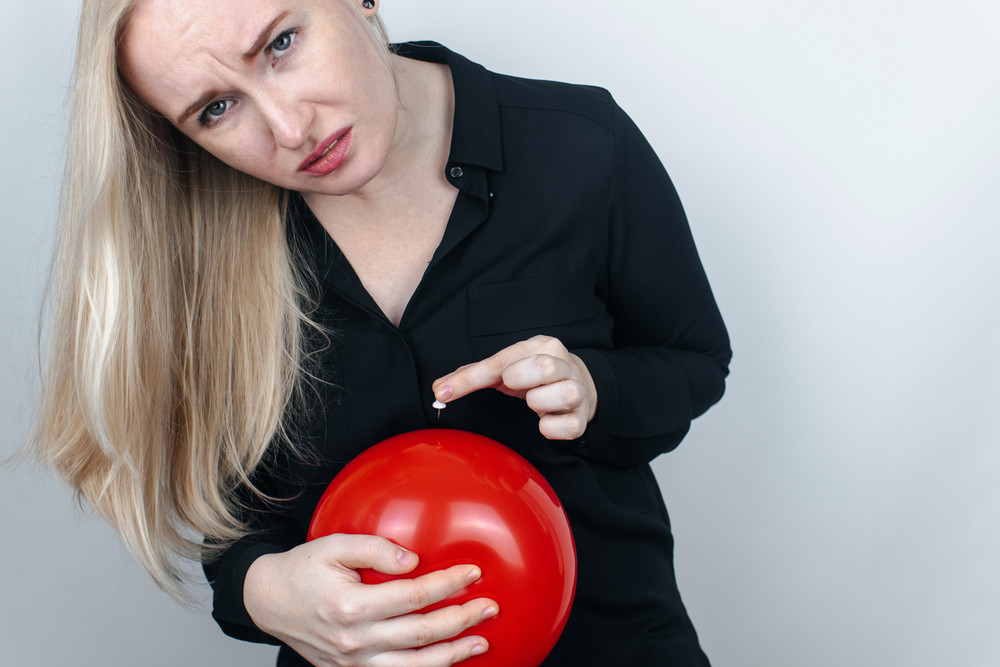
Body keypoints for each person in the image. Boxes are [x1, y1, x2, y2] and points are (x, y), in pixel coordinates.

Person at [32, 0, 731, 664]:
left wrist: (593, 388)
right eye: (216, 109)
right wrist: (260, 590)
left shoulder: (581, 141)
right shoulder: (194, 258)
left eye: (281, 44)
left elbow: (694, 362)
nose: (289, 127)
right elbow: (229, 521)